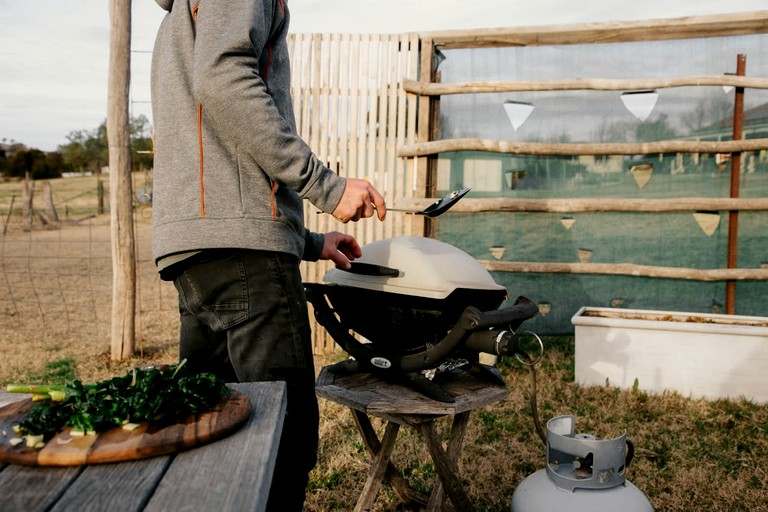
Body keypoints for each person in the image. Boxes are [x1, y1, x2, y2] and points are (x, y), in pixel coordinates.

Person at [150, 1, 387, 510]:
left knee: (207, 432)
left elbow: (212, 159)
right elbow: (222, 80)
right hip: (245, 261)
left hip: (197, 254)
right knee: (282, 442)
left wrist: (308, 241)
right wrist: (325, 185)